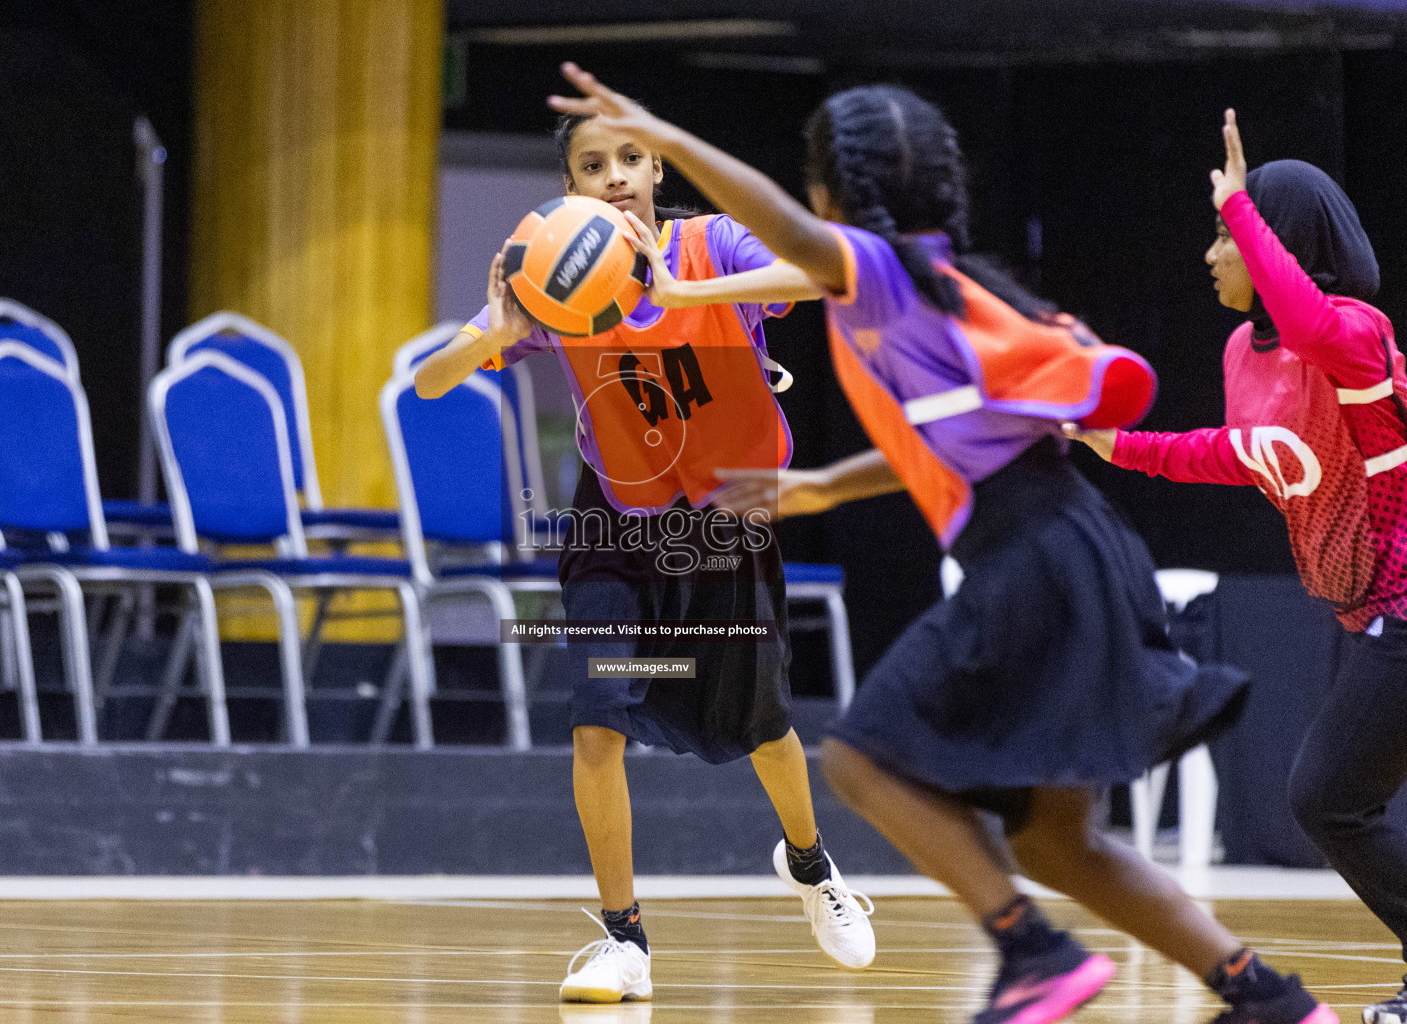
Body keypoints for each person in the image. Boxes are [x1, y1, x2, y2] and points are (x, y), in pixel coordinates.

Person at [549, 65, 1336, 1024]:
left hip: (1032, 553)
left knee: (862, 761)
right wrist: (820, 487)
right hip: (1087, 544)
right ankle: (1269, 997)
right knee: (1058, 844)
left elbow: (798, 241)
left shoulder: (880, 270)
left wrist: (667, 139)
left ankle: (1032, 953)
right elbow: (949, 439)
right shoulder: (939, 280)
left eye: (812, 181)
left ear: (837, 192)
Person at [414, 107, 876, 1004]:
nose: (616, 175)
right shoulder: (551, 278)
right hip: (616, 529)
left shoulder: (716, 246)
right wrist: (495, 333)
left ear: (658, 169)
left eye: (631, 158)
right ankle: (625, 940)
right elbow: (431, 380)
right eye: (594, 165)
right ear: (570, 189)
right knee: (598, 720)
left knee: (764, 728)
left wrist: (685, 293)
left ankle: (813, 867)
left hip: (726, 518)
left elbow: (831, 275)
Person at [1071, 110, 1407, 1024]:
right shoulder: (1240, 353)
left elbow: (1307, 321)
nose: (1211, 252)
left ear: (1278, 245)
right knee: (1339, 799)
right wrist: (1119, 447)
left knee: (1328, 798)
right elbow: (1240, 452)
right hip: (1370, 613)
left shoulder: (1355, 334)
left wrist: (1243, 207)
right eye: (1224, 230)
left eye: (1225, 232)